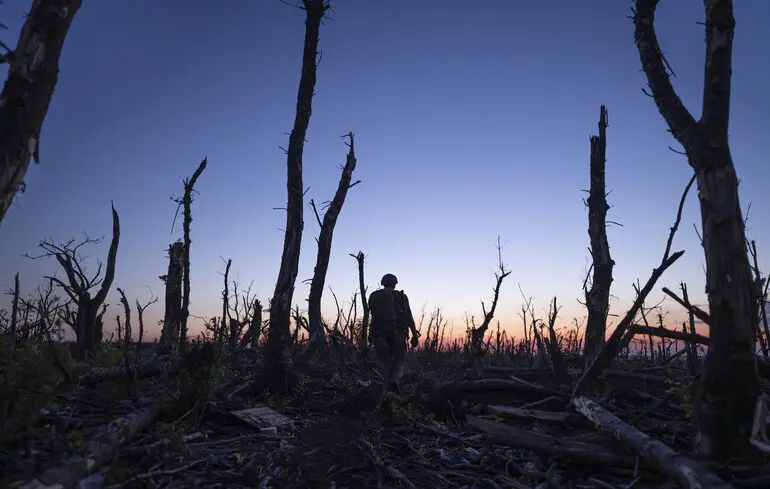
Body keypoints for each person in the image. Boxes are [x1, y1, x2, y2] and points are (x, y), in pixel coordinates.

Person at [367, 273, 420, 396]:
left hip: (379, 335)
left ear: (383, 283)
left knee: (386, 361)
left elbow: (373, 317)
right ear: (395, 283)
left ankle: (386, 387)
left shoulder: (374, 296)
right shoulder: (401, 296)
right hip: (398, 335)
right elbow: (408, 316)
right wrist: (414, 335)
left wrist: (370, 334)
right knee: (400, 360)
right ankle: (395, 380)